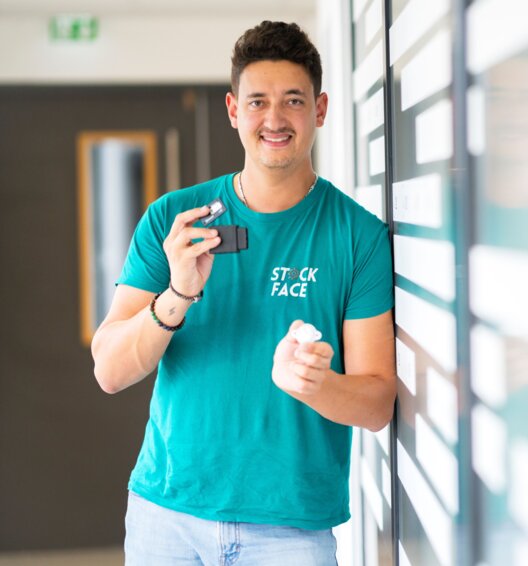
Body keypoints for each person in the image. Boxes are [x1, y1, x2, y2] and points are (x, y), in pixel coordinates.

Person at [91, 20, 396, 566]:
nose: (274, 119)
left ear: (320, 110)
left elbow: (377, 403)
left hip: (290, 531)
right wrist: (177, 295)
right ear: (233, 111)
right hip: (167, 517)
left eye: (293, 101)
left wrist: (317, 385)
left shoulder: (358, 237)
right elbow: (110, 371)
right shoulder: (173, 219)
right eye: (257, 102)